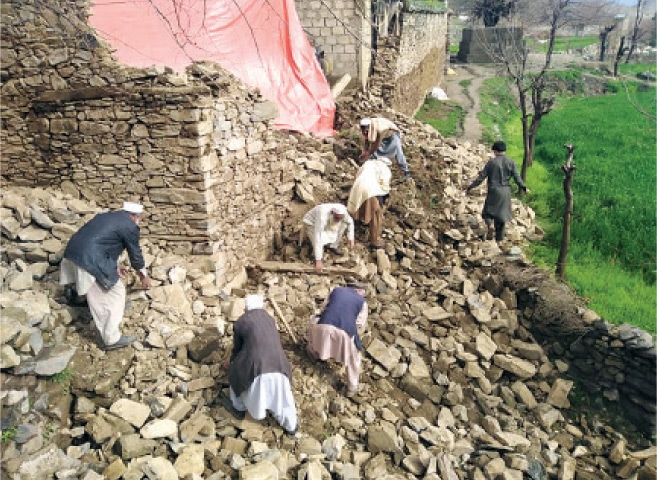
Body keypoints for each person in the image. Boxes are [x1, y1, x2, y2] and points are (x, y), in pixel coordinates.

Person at [59, 201, 151, 350]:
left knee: (92, 282)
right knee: (116, 292)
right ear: (134, 216)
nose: (139, 221)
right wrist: (143, 275)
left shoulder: (106, 216)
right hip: (89, 260)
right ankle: (111, 339)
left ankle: (78, 298)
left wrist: (114, 267)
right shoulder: (130, 226)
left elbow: (103, 243)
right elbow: (135, 254)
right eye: (139, 217)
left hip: (73, 252)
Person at [224, 295, 299, 436]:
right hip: (280, 364)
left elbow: (237, 349)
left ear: (246, 308)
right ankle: (291, 426)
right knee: (283, 397)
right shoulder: (270, 319)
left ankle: (238, 408)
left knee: (235, 375)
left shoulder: (241, 322)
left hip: (256, 367)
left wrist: (232, 362)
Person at [307, 282, 368, 395]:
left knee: (312, 320)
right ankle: (352, 387)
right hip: (344, 333)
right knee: (355, 356)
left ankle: (313, 352)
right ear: (360, 291)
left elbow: (323, 308)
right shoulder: (362, 302)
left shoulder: (336, 290)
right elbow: (359, 324)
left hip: (323, 327)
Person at [464, 141, 528, 242]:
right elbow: (517, 178)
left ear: (495, 151)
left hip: (494, 190)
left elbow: (481, 178)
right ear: (504, 151)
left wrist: (470, 187)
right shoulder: (511, 162)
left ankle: (490, 225)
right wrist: (524, 187)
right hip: (506, 192)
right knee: (502, 216)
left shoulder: (491, 162)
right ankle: (499, 240)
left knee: (487, 213)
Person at [347, 156, 392, 249]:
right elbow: (384, 186)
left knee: (357, 205)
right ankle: (375, 240)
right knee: (376, 214)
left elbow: (358, 174)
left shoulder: (368, 163)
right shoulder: (385, 169)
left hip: (358, 186)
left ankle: (349, 228)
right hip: (370, 190)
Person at [301, 203, 355, 273]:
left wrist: (350, 238)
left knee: (343, 225)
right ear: (332, 213)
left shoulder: (343, 214)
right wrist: (318, 260)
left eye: (340, 218)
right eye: (337, 218)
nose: (338, 220)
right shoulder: (322, 215)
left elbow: (350, 223)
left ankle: (333, 246)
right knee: (317, 239)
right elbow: (318, 236)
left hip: (327, 222)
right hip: (311, 222)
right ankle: (315, 254)